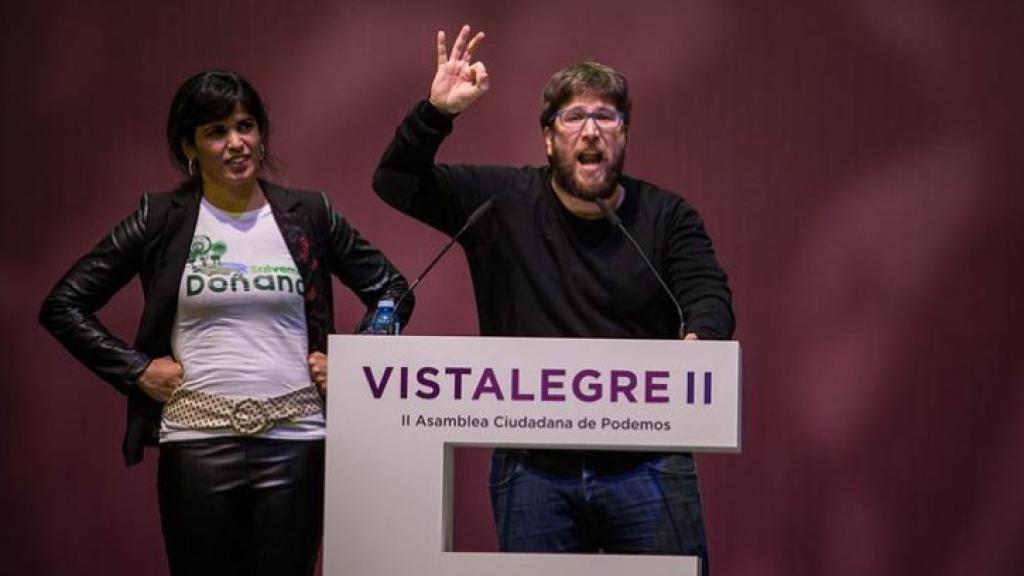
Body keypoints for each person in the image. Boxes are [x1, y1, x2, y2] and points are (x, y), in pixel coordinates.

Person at [373, 25, 734, 573]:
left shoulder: (667, 216)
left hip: (648, 459)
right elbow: (396, 180)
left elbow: (707, 295)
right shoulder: (500, 201)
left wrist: (698, 340)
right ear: (548, 138)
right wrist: (436, 112)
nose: (591, 131)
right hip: (533, 464)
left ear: (624, 133)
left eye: (605, 116)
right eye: (574, 117)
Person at [39, 70, 413, 576]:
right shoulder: (161, 218)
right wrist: (134, 370)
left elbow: (393, 290)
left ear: (261, 134)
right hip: (196, 447)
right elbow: (64, 304)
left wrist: (356, 359)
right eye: (216, 132)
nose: (236, 143)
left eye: (246, 126)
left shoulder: (309, 214)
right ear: (189, 146)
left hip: (296, 442)